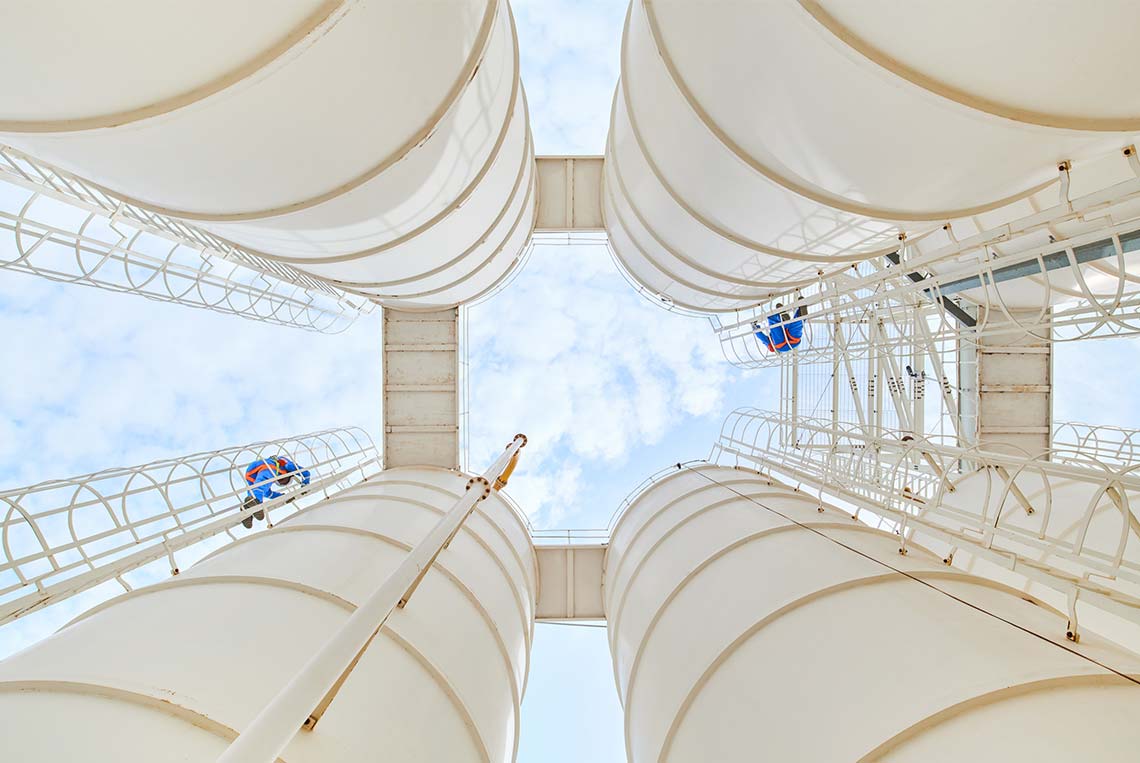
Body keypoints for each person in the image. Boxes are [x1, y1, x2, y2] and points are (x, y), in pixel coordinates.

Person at [240, 455, 311, 528]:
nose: (280, 481)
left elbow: (268, 494)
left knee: (255, 490)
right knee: (263, 482)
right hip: (267, 465)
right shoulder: (285, 465)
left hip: (251, 472)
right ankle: (256, 502)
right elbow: (305, 472)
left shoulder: (275, 471)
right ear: (289, 475)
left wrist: (282, 496)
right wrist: (305, 483)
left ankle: (247, 511)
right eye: (283, 481)